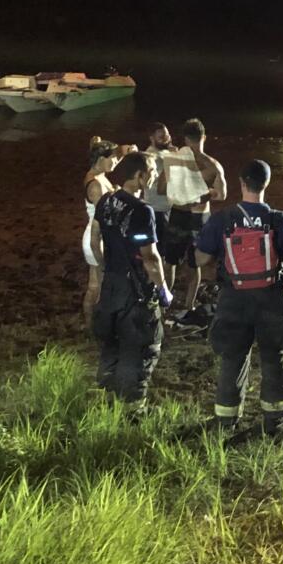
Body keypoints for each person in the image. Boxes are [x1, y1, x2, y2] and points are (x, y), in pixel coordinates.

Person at [195, 159, 283, 437]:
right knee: (273, 353)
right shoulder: (278, 219)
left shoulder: (222, 218)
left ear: (241, 183)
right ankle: (276, 416)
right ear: (266, 184)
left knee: (233, 355)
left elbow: (201, 258)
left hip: (234, 298)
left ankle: (226, 417)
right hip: (269, 297)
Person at [89, 152, 172, 407]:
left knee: (111, 343)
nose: (155, 174)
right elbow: (150, 258)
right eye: (151, 171)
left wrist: (105, 269)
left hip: (111, 285)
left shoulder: (106, 201)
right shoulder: (142, 211)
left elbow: (95, 240)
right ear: (139, 176)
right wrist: (163, 289)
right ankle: (133, 409)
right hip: (134, 291)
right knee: (141, 348)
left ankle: (105, 399)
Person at [164, 118, 226, 327]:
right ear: (204, 137)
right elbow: (222, 194)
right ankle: (188, 305)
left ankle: (165, 301)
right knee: (194, 262)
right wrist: (202, 196)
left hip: (178, 214)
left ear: (185, 138)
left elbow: (163, 189)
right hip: (199, 218)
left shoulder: (175, 159)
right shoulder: (213, 164)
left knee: (170, 261)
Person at [82, 137, 121, 324]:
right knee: (97, 285)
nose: (115, 161)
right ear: (100, 159)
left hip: (97, 234)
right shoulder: (96, 185)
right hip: (96, 237)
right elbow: (106, 215)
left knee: (95, 283)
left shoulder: (98, 176)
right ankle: (92, 323)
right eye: (112, 158)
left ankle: (91, 324)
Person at [144, 122, 175, 257]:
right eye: (161, 137)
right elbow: (159, 187)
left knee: (167, 246)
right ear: (152, 138)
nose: (166, 139)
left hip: (167, 207)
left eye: (167, 135)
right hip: (158, 209)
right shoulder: (151, 157)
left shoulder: (166, 152)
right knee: (161, 249)